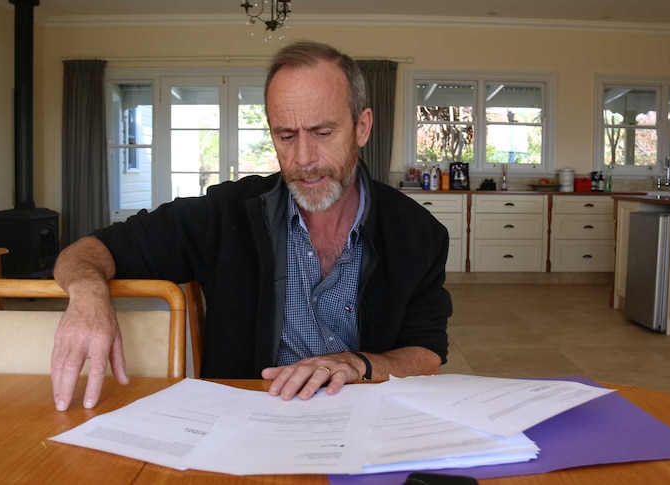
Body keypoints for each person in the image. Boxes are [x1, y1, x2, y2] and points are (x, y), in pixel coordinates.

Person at [50, 40, 452, 411]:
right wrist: (87, 295)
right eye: (286, 135)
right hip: (244, 420)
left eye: (323, 132)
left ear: (362, 127)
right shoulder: (225, 213)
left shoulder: (418, 233)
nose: (303, 158)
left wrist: (357, 364)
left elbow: (427, 353)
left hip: (365, 417)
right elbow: (89, 250)